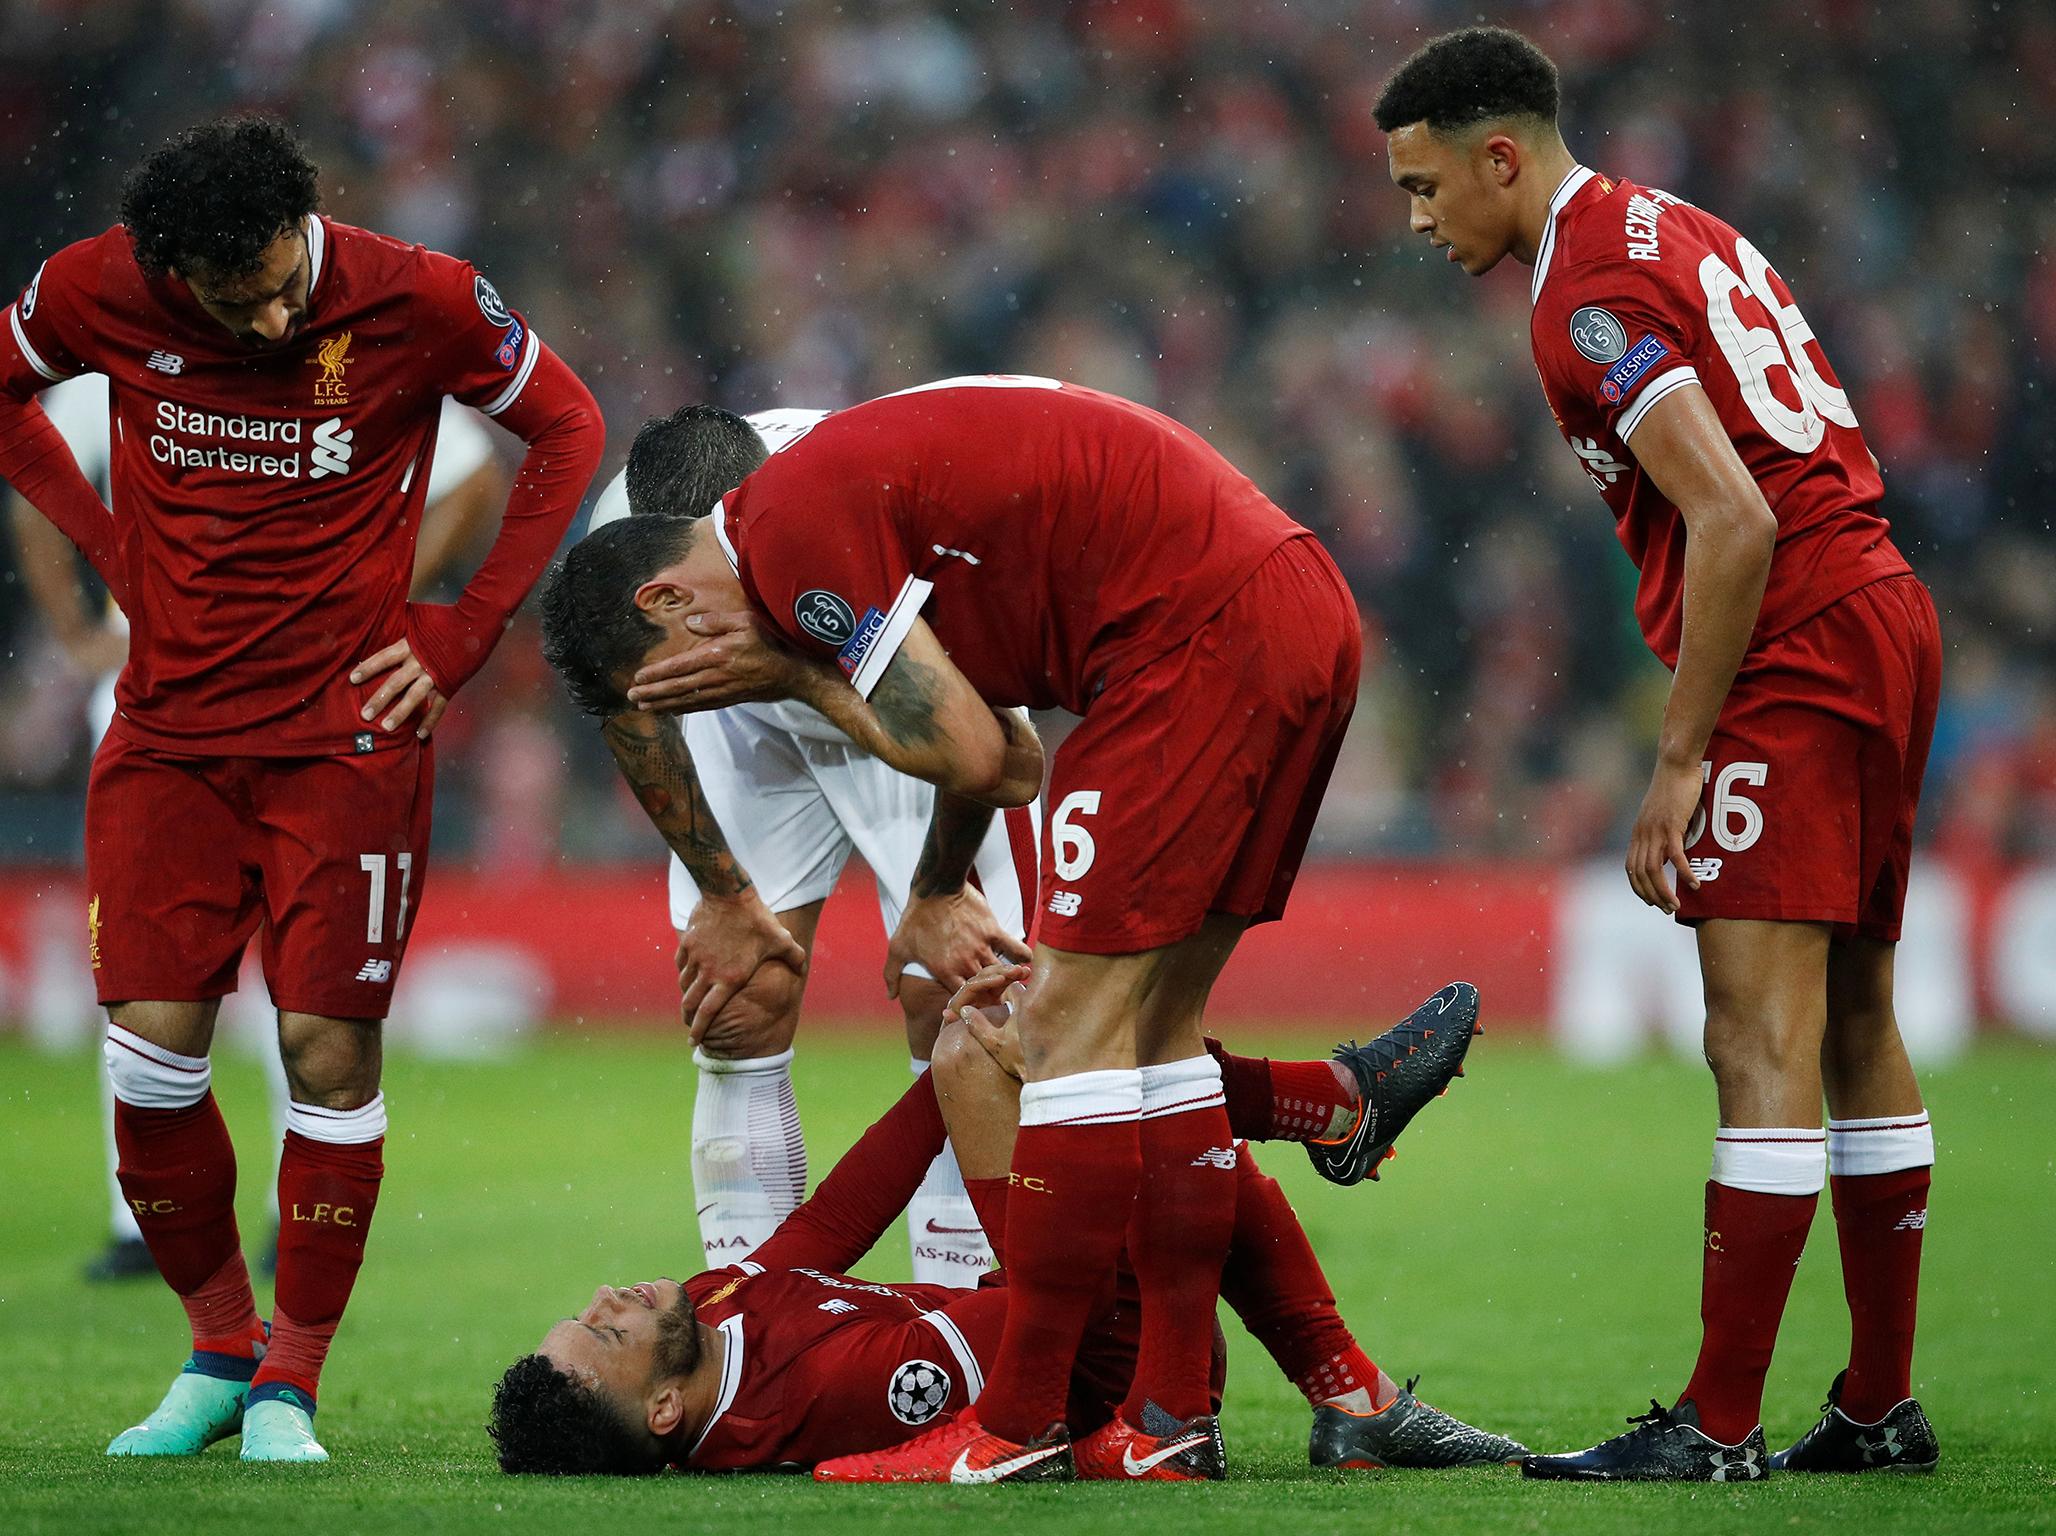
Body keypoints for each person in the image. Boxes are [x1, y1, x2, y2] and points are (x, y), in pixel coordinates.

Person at [558, 374, 1478, 1481]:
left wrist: (795, 676)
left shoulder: (793, 529)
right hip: (1268, 602)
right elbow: (997, 748)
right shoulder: (686, 542)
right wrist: (750, 885)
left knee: (1035, 1034)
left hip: (1181, 644)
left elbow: (984, 756)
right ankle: (1258, 1381)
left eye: (689, 685)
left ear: (672, 606)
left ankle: (1019, 1424)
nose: (706, 705)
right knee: (1134, 1035)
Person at [1371, 28, 1941, 1481]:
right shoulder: (1672, 223)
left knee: (1755, 1036)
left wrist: (1680, 757)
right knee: (1857, 1019)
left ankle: (1721, 1428)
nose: (1420, 222)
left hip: (1795, 637)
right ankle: (1877, 1407)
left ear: (1503, 155)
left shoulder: (1587, 293)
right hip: (1879, 606)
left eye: (1430, 188)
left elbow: (1734, 519)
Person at [0, 115, 604, 1462]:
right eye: (234, 303)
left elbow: (565, 422)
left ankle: (293, 1376)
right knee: (151, 1062)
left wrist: (463, 630)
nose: (270, 320)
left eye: (281, 284)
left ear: (307, 223)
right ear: (173, 277)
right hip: (167, 736)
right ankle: (216, 1350)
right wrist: (106, 542)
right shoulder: (100, 285)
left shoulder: (422, 298)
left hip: (346, 739)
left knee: (328, 1055)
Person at [488, 973, 1521, 1477]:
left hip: (1055, 1316)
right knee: (1128, 1089)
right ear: (665, 1411)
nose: (609, 1298)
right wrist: (1031, 1097)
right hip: (1113, 1360)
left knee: (1056, 1033)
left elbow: (834, 1216)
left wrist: (969, 1042)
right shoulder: (807, 1400)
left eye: (589, 1310)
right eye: (609, 1333)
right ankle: (1333, 1109)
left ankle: (1352, 1396)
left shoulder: (706, 1317)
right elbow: (1027, 1339)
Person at [6, 377, 507, 1285]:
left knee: (296, 972)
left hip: (303, 707)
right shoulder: (129, 355)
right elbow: (33, 484)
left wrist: (389, 603)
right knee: (142, 971)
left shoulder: (338, 351)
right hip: (161, 706)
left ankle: (285, 1208)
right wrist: (81, 635)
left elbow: (475, 476)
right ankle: (147, 1220)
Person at [562, 403, 1037, 1282]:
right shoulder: (622, 540)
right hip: (741, 711)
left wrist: (939, 891)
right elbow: (632, 710)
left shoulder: (851, 515)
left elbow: (990, 749)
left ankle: (970, 1319)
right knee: (740, 1000)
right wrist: (723, 894)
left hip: (887, 683)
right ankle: (757, 1326)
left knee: (965, 1001)